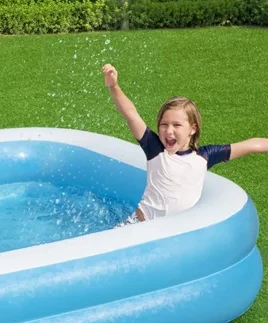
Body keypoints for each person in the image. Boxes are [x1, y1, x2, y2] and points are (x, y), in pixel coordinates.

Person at [102, 63, 268, 225]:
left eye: (177, 125)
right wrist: (114, 87)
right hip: (138, 225)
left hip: (174, 232)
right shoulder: (156, 150)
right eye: (164, 124)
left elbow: (250, 145)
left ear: (192, 129)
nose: (169, 131)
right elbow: (131, 114)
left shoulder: (204, 157)